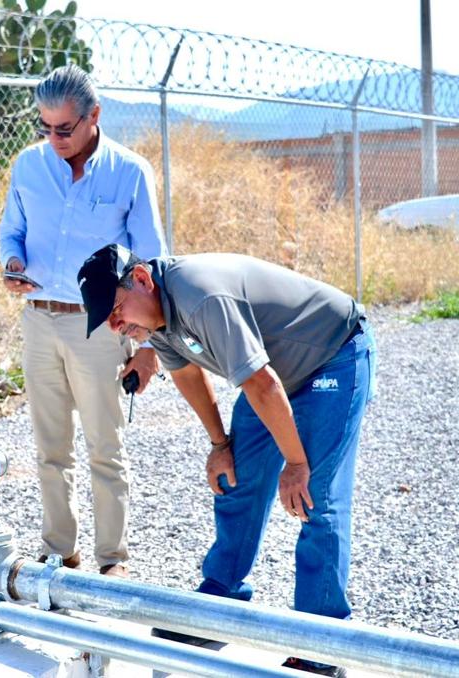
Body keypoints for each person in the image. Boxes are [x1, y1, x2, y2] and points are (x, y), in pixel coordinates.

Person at [77, 243, 376, 677]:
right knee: (235, 476)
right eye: (108, 319)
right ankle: (221, 601)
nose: (117, 326)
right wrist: (220, 446)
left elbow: (262, 385)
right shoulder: (156, 317)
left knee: (314, 498)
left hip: (332, 356)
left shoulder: (201, 297)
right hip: (273, 373)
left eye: (117, 309)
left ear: (141, 279)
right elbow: (188, 374)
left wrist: (295, 464)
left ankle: (323, 642)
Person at [0, 65, 166, 578]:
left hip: (102, 329)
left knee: (104, 448)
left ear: (95, 116)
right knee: (50, 448)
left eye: (64, 129)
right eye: (44, 127)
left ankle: (112, 561)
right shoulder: (28, 167)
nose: (53, 139)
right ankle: (59, 552)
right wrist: (13, 267)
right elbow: (12, 234)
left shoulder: (130, 173)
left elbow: (153, 263)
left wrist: (151, 345)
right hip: (39, 320)